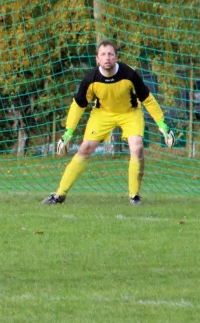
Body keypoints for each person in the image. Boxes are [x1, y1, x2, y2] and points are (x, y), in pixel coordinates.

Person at [41, 40, 176, 206]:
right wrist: (68, 132)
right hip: (102, 114)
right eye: (103, 54)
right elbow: (78, 105)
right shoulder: (91, 79)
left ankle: (134, 196)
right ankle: (58, 195)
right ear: (97, 59)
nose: (107, 58)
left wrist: (162, 125)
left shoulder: (129, 74)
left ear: (116, 57)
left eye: (111, 54)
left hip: (129, 113)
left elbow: (147, 99)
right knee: (85, 148)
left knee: (138, 147)